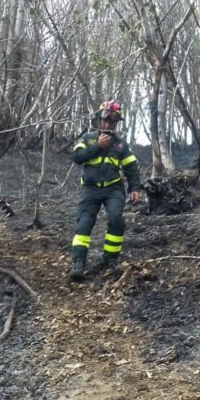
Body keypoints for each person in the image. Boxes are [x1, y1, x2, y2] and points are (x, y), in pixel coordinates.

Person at [70, 100, 142, 280]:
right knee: (84, 224)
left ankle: (110, 260)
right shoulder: (87, 139)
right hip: (90, 189)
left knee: (117, 220)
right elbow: (77, 157)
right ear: (100, 120)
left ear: (117, 123)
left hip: (113, 190)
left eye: (113, 121)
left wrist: (135, 189)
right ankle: (78, 262)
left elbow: (132, 168)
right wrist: (97, 146)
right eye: (106, 119)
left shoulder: (121, 145)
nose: (109, 123)